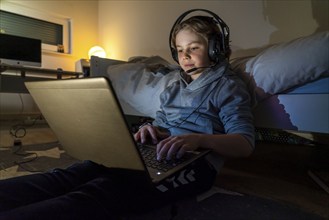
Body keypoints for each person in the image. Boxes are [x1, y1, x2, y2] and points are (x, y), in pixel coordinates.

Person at [0, 9, 254, 220]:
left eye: (194, 47)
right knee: (72, 174)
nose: (184, 56)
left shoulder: (228, 87)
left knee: (99, 193)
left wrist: (199, 140)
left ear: (215, 49)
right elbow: (163, 122)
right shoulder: (174, 84)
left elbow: (244, 144)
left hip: (196, 163)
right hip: (155, 150)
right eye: (178, 49)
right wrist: (151, 129)